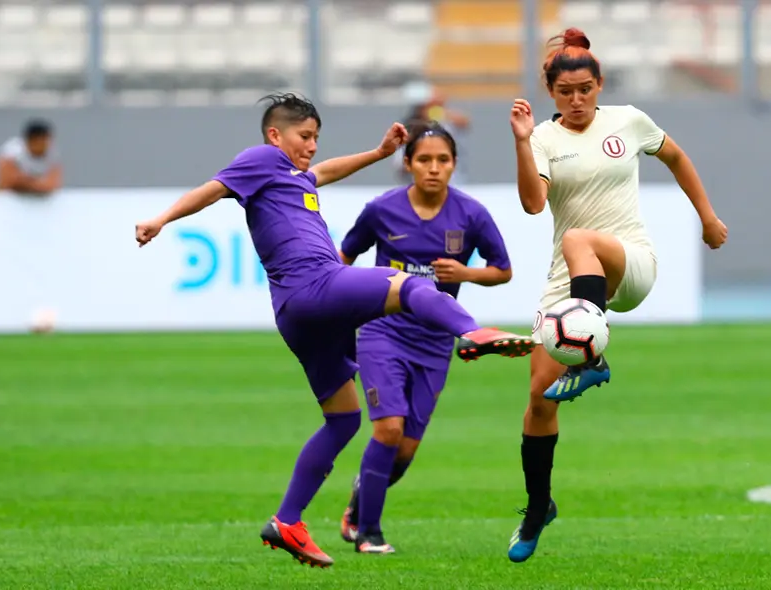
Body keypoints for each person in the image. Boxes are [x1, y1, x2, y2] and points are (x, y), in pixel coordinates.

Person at [133, 93, 534, 569]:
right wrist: (161, 219)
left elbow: (327, 172)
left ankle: (287, 521)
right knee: (407, 284)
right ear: (274, 135)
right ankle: (472, 332)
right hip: (314, 283)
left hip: (295, 313)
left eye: (317, 138)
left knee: (344, 418)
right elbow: (213, 188)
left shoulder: (294, 177)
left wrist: (378, 154)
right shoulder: (262, 161)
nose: (312, 146)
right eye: (304, 137)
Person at [506, 28, 728, 563]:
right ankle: (539, 508)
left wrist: (708, 216)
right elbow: (535, 206)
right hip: (569, 279)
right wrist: (519, 140)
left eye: (586, 89)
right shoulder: (541, 138)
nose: (577, 100)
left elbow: (675, 157)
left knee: (582, 239)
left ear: (599, 84)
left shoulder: (628, 121)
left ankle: (594, 352)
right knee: (538, 397)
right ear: (551, 92)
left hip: (629, 263)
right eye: (566, 93)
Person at [335, 121, 512, 554]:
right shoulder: (381, 210)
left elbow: (502, 269)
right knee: (389, 429)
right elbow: (344, 254)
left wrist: (467, 273)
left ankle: (359, 504)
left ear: (453, 164)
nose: (434, 168)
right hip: (383, 332)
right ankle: (369, 534)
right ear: (408, 163)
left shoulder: (471, 215)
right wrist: (337, 302)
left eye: (443, 160)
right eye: (424, 160)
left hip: (435, 343)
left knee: (406, 450)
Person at [0, 119, 62, 194]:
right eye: (39, 141)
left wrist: (23, 181)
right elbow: (6, 180)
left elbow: (52, 185)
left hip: (36, 199)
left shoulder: (52, 155)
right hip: (6, 197)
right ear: (29, 140)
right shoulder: (12, 152)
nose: (43, 145)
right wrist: (37, 183)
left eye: (46, 141)